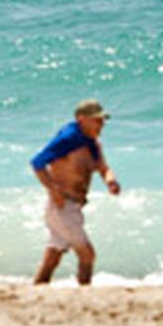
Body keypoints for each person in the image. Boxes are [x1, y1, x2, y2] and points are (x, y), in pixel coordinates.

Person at [30, 99, 120, 285]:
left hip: (73, 207)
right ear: (81, 119)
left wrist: (111, 181)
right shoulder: (68, 139)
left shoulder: (92, 143)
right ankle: (85, 292)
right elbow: (37, 163)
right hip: (62, 206)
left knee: (53, 257)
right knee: (87, 254)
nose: (101, 124)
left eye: (102, 120)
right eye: (97, 120)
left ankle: (37, 289)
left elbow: (103, 168)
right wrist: (53, 191)